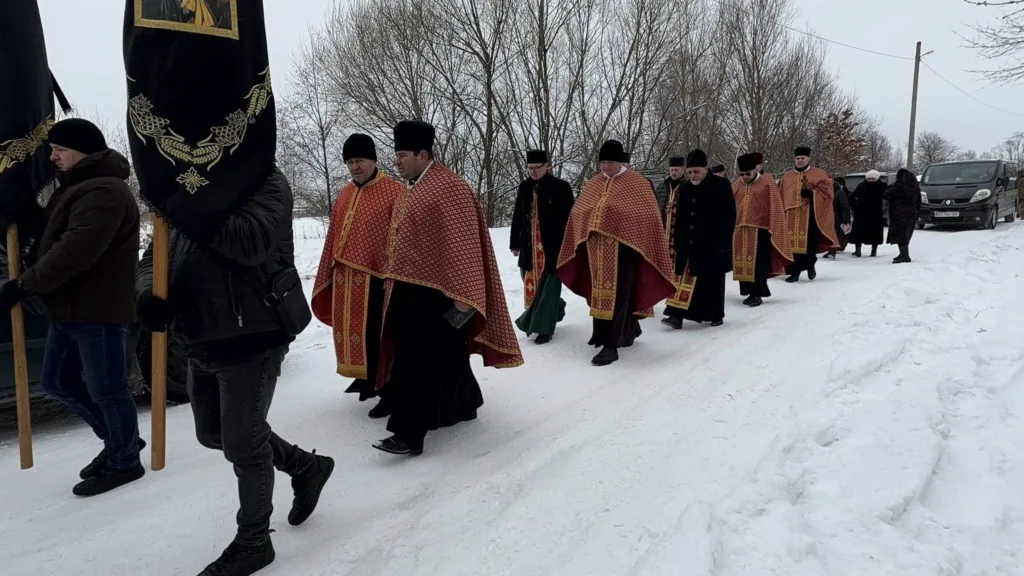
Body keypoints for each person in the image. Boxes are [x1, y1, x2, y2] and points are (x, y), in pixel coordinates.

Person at [136, 167, 335, 576]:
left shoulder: (261, 180)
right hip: (197, 336)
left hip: (253, 332)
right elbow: (151, 256)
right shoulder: (179, 190)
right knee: (214, 434)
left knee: (243, 444)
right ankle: (306, 467)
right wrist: (147, 295)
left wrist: (181, 201)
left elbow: (250, 243)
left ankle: (254, 542)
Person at [0, 118, 144, 497]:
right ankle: (119, 441)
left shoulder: (106, 191)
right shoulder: (75, 189)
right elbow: (54, 238)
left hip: (97, 309)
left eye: (60, 150)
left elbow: (74, 251)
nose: (52, 157)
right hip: (70, 308)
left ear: (83, 151)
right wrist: (24, 210)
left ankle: (125, 460)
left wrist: (22, 286)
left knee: (107, 390)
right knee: (57, 382)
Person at [375, 120, 523, 456]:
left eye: (402, 154)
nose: (396, 161)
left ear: (423, 154)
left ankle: (408, 434)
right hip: (407, 290)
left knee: (417, 360)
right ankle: (464, 403)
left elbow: (464, 244)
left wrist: (463, 301)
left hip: (439, 294)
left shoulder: (449, 188)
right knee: (447, 354)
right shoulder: (413, 187)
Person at [557, 139, 675, 366]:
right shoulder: (593, 183)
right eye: (602, 161)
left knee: (619, 294)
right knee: (599, 292)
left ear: (620, 161)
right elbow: (579, 211)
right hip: (595, 249)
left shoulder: (637, 183)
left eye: (609, 161)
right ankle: (623, 330)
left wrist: (618, 222)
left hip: (625, 249)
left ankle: (611, 345)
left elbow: (646, 216)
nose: (605, 166)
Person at [311, 134, 403, 418]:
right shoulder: (345, 193)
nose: (354, 167)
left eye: (359, 160)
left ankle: (389, 390)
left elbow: (398, 237)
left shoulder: (394, 190)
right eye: (350, 162)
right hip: (347, 279)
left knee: (379, 335)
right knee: (356, 335)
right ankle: (367, 378)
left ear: (373, 160)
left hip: (379, 279)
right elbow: (334, 235)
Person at [509, 149, 574, 344]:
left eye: (537, 168)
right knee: (530, 283)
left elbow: (570, 219)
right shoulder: (524, 187)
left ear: (547, 166)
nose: (533, 172)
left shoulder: (561, 187)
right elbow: (517, 217)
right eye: (529, 168)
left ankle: (544, 328)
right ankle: (556, 308)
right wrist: (514, 243)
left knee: (549, 287)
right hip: (529, 248)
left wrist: (569, 245)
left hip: (552, 249)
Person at [669, 149, 736, 326]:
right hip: (688, 242)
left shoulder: (721, 185)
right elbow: (680, 218)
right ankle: (676, 315)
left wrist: (723, 242)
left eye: (696, 171)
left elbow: (729, 215)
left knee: (711, 281)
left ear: (706, 168)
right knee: (683, 278)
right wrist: (678, 242)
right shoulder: (684, 188)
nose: (693, 175)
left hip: (712, 243)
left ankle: (715, 315)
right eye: (690, 172)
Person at [732, 153, 793, 307]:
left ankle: (757, 293)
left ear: (755, 170)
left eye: (748, 173)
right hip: (739, 229)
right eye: (742, 174)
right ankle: (748, 291)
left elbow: (776, 207)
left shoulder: (767, 183)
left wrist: (773, 227)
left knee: (758, 264)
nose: (744, 177)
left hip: (761, 230)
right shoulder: (736, 184)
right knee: (742, 261)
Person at [779, 146, 836, 282]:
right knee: (792, 246)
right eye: (798, 158)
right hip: (791, 215)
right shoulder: (787, 176)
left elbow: (828, 193)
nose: (800, 161)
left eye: (802, 158)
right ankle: (794, 273)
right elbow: (781, 195)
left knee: (809, 246)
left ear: (808, 159)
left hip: (810, 215)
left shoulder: (819, 174)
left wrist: (812, 193)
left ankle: (810, 265)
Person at [660, 156, 688, 328]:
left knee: (680, 276)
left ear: (683, 170)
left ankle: (676, 313)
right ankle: (672, 309)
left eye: (677, 170)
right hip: (664, 240)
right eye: (672, 170)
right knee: (669, 276)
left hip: (681, 240)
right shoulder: (663, 186)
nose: (674, 173)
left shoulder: (687, 187)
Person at [884, 168, 922, 263]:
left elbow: (886, 194)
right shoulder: (915, 188)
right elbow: (919, 202)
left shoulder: (898, 187)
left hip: (899, 213)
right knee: (904, 234)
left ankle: (905, 256)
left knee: (900, 235)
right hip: (911, 213)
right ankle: (903, 254)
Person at [849, 169, 886, 257]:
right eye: (869, 179)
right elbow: (852, 197)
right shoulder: (862, 185)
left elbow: (887, 199)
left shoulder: (882, 187)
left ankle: (873, 251)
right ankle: (858, 251)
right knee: (859, 233)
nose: (871, 180)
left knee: (875, 233)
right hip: (861, 213)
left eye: (873, 178)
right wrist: (855, 207)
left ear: (877, 178)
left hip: (876, 214)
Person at [825, 176, 852, 259]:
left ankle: (832, 251)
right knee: (828, 234)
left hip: (836, 217)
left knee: (834, 234)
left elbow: (845, 206)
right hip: (828, 216)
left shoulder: (840, 193)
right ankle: (830, 250)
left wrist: (845, 219)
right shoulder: (827, 193)